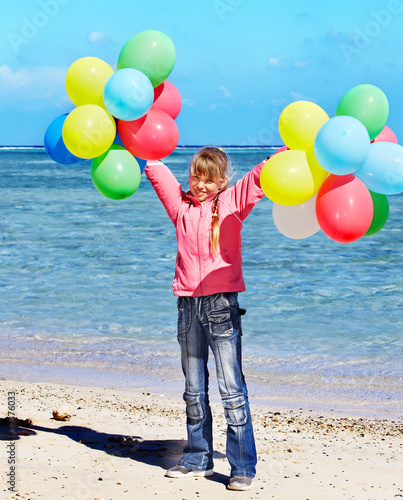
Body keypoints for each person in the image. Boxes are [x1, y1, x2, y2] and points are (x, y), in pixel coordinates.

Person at [144, 146, 269, 491]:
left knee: (232, 390)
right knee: (193, 389)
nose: (200, 184)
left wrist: (288, 152)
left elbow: (258, 178)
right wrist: (139, 143)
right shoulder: (180, 207)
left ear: (221, 181)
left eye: (209, 179)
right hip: (187, 305)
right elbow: (156, 171)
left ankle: (242, 465)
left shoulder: (232, 202)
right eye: (196, 176)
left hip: (221, 306)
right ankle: (197, 457)